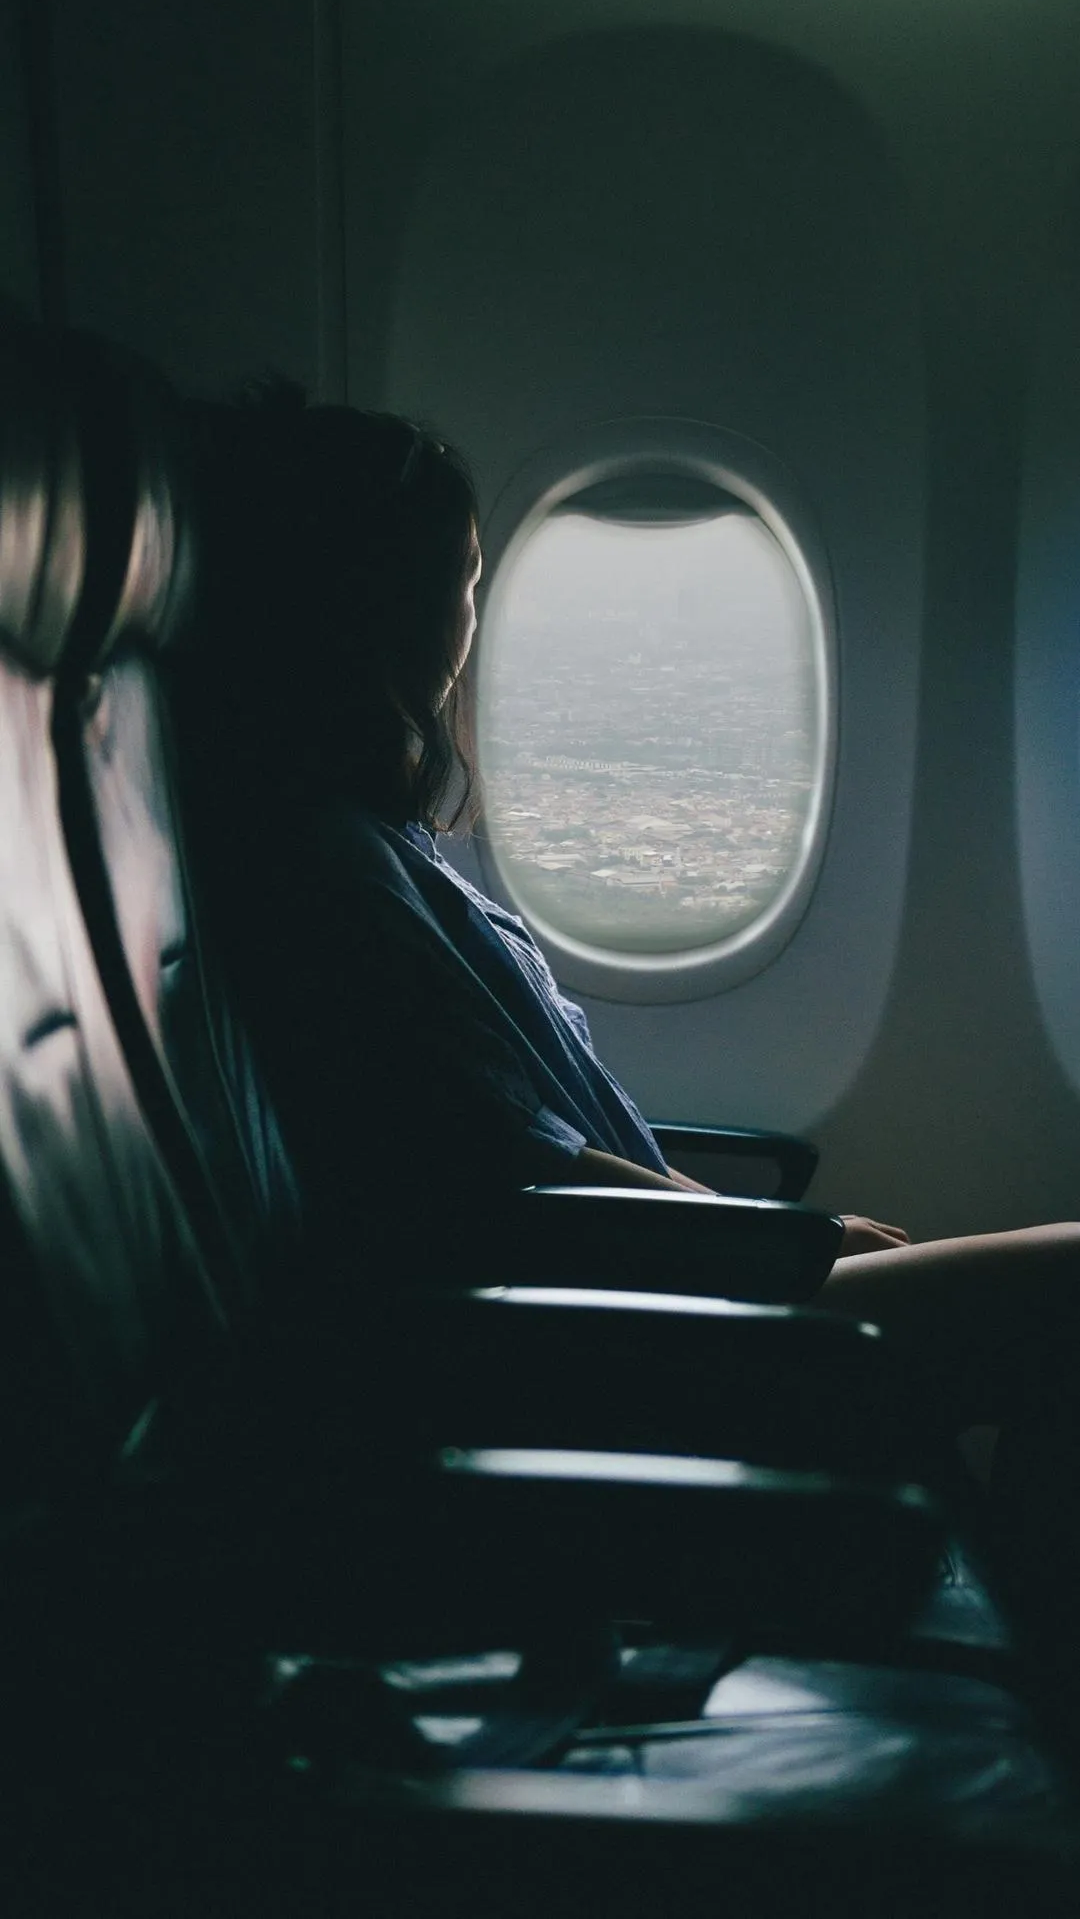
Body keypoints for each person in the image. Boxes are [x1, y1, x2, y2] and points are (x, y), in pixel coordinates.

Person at [173, 388, 1080, 1746]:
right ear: (380, 601)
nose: (471, 626)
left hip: (637, 1295)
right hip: (594, 1352)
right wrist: (771, 1241)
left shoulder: (367, 839)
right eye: (464, 583)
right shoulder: (325, 866)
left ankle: (1029, 1677)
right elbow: (494, 1172)